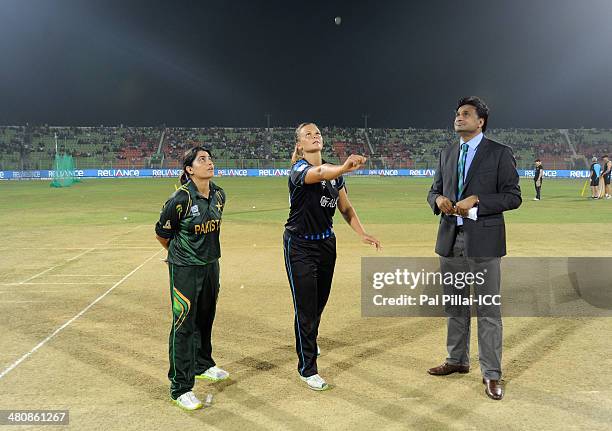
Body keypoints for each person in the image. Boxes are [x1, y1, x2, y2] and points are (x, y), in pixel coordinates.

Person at [426, 96, 522, 400]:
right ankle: (457, 360)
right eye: (457, 113)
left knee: (488, 310)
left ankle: (492, 374)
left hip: (484, 241)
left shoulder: (499, 153)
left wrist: (479, 200)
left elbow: (513, 196)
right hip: (450, 240)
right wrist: (438, 201)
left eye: (466, 114)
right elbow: (434, 191)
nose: (459, 117)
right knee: (454, 306)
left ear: (480, 121)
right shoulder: (448, 152)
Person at [283, 122, 381, 391]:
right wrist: (342, 168)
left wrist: (362, 233)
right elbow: (321, 172)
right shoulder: (299, 170)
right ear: (299, 145)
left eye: (317, 133)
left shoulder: (336, 174)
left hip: (326, 244)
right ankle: (307, 368)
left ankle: (308, 342)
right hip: (299, 246)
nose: (314, 136)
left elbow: (346, 208)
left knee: (318, 304)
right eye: (308, 134)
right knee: (305, 308)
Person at [155, 146, 229, 411]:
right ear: (189, 169)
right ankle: (180, 387)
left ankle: (202, 365)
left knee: (205, 317)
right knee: (183, 324)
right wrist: (180, 256)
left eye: (210, 158)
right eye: (202, 160)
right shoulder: (180, 199)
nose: (209, 162)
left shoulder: (219, 194)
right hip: (185, 269)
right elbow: (162, 233)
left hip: (211, 265)